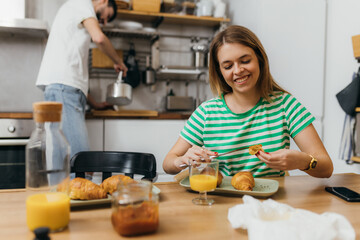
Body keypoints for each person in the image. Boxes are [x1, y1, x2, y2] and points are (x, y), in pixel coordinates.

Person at [163, 25, 333, 178]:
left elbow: (326, 168)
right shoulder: (206, 113)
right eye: (228, 66)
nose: (238, 70)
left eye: (245, 61)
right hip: (219, 203)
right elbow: (168, 163)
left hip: (270, 205)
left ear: (259, 59)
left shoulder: (285, 105)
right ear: (220, 71)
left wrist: (303, 161)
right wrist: (183, 160)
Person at [36, 0, 128, 159]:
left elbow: (72, 80)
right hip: (63, 91)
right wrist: (118, 61)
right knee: (80, 162)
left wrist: (95, 104)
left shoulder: (75, 12)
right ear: (104, 1)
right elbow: (99, 38)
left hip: (61, 90)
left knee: (62, 161)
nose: (104, 22)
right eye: (108, 16)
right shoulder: (83, 4)